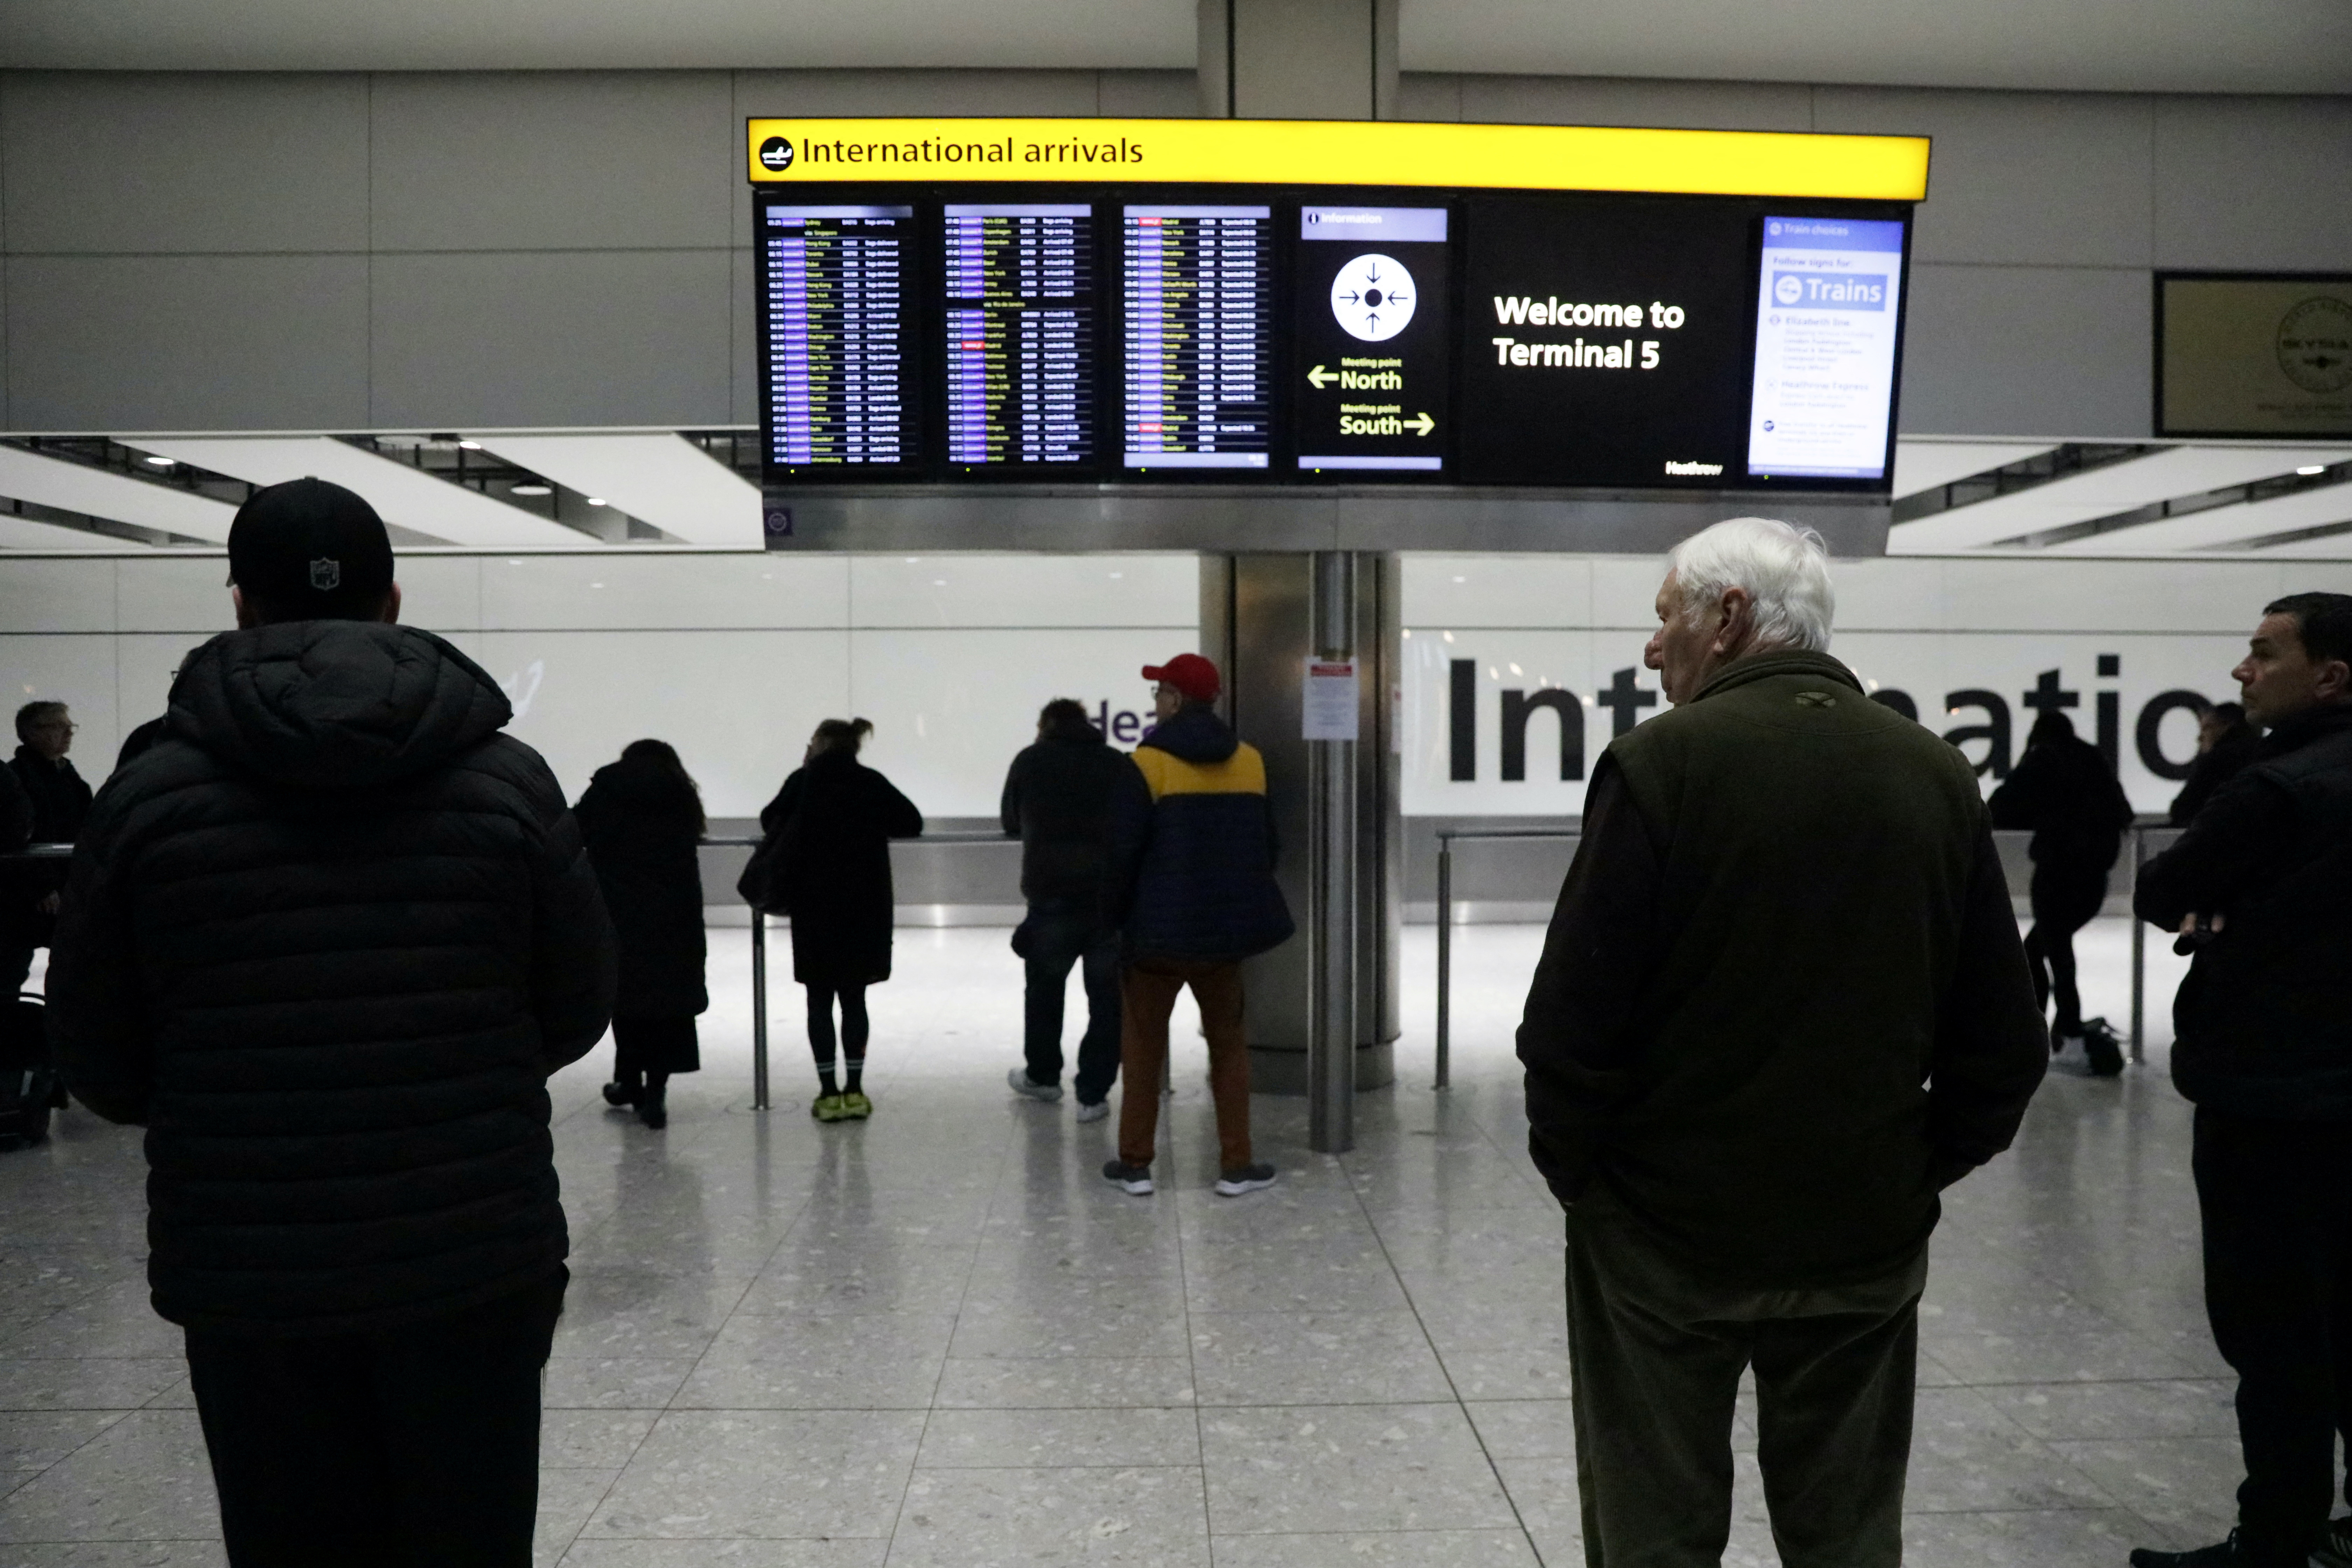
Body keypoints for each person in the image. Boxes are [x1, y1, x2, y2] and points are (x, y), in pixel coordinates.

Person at [46, 476, 616, 1568]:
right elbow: (578, 1004)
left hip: (251, 1264)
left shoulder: (149, 797)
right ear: (393, 601)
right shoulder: (506, 783)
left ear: (240, 603)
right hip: (471, 1246)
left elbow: (98, 1056)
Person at [1515, 517, 2048, 1568]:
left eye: (1664, 617)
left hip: (1666, 1238)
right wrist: (1911, 1169)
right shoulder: (1934, 773)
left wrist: (1593, 1188)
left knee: (1653, 1531)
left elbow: (1571, 1022)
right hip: (1861, 1234)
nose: (1650, 647)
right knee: (1846, 1533)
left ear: (1726, 617)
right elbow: (2002, 1039)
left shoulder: (1661, 764)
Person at [2129, 592, 2352, 1568]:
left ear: (2331, 677)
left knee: (2276, 1333)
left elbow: (2164, 889)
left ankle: (2276, 1538)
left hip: (2273, 1098)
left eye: (2264, 652)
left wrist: (2230, 914)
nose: (2241, 670)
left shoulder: (2278, 787)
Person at [1098, 653, 1292, 1198]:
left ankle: (1136, 1166)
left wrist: (1112, 922)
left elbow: (1122, 855)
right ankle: (1236, 1165)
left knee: (1143, 1049)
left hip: (1155, 940)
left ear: (1177, 701)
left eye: (1160, 692)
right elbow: (1267, 849)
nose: (1156, 701)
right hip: (1222, 940)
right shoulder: (1250, 763)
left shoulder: (1146, 765)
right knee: (1228, 1047)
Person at [758, 718, 922, 1122]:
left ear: (820, 744)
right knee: (854, 998)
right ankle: (856, 1089)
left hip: (814, 907)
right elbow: (911, 822)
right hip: (864, 907)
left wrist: (806, 771)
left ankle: (828, 1092)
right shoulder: (870, 782)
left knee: (818, 999)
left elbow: (769, 820)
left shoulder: (803, 782)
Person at [1001, 697, 1130, 1121]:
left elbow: (1011, 821)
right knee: (1107, 1000)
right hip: (1107, 899)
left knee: (1044, 991)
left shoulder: (1030, 760)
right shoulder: (1115, 762)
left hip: (1051, 895)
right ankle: (1093, 1094)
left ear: (1045, 725)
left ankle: (1043, 1076)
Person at [1988, 708, 2136, 1074]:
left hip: (2056, 874)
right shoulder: (2092, 758)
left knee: (2050, 954)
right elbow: (2123, 811)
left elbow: (2001, 806)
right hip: (2094, 879)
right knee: (2048, 951)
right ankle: (2052, 1031)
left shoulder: (2043, 759)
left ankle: (2054, 1033)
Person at [576, 739, 709, 1131]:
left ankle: (629, 1082)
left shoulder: (606, 788)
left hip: (618, 911)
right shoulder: (680, 792)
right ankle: (656, 1094)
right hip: (674, 915)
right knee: (668, 1006)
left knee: (625, 999)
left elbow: (576, 830)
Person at [4, 700, 93, 994]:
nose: (69, 733)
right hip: (26, 893)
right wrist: (42, 886)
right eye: (59, 726)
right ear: (32, 733)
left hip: (62, 888)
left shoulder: (68, 778)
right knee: (12, 967)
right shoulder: (19, 779)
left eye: (70, 726)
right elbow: (15, 838)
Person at [2171, 700, 2261, 826]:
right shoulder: (2265, 752)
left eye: (2207, 728)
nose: (2200, 737)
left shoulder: (2216, 760)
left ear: (2225, 726)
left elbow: (2183, 809)